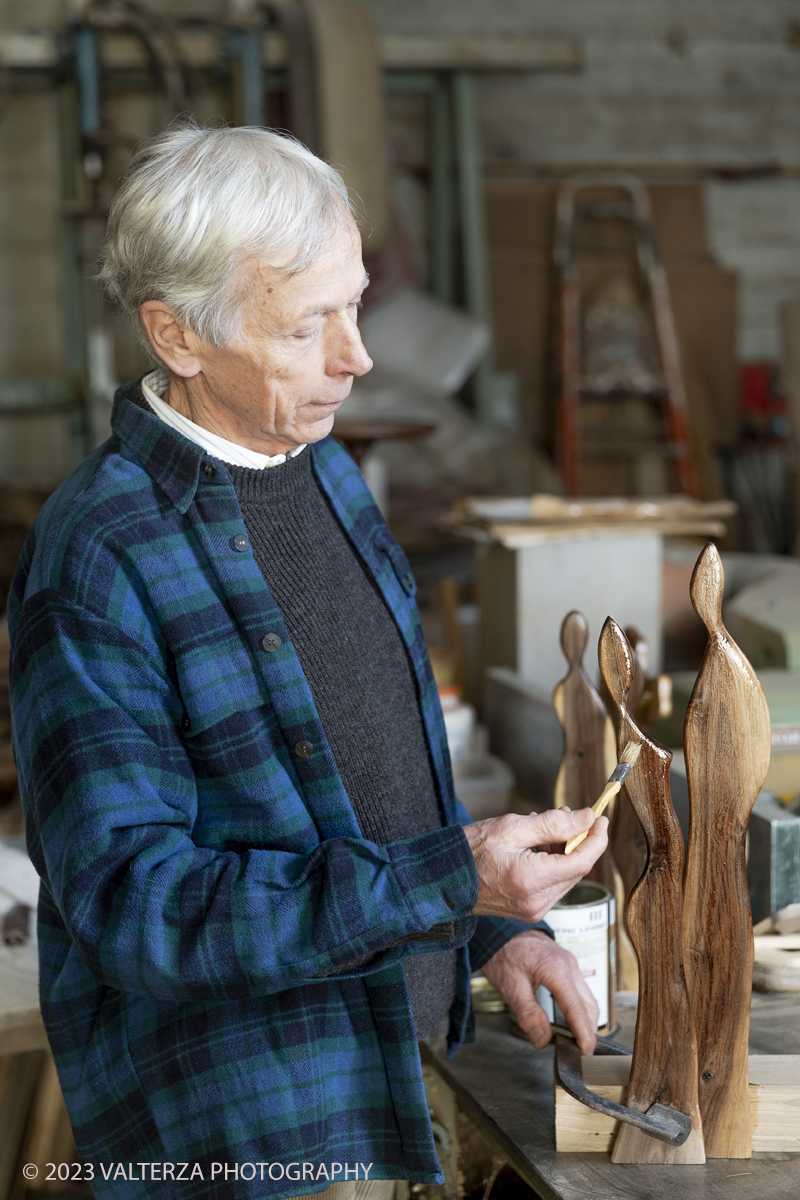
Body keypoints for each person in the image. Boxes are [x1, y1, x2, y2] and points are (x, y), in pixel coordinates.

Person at [9, 125, 608, 1200]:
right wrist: (450, 877)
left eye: (355, 303)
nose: (357, 356)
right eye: (304, 327)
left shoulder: (320, 468)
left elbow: (372, 788)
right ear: (176, 337)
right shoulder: (98, 557)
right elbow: (136, 909)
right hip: (264, 1134)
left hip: (413, 1075)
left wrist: (484, 932)